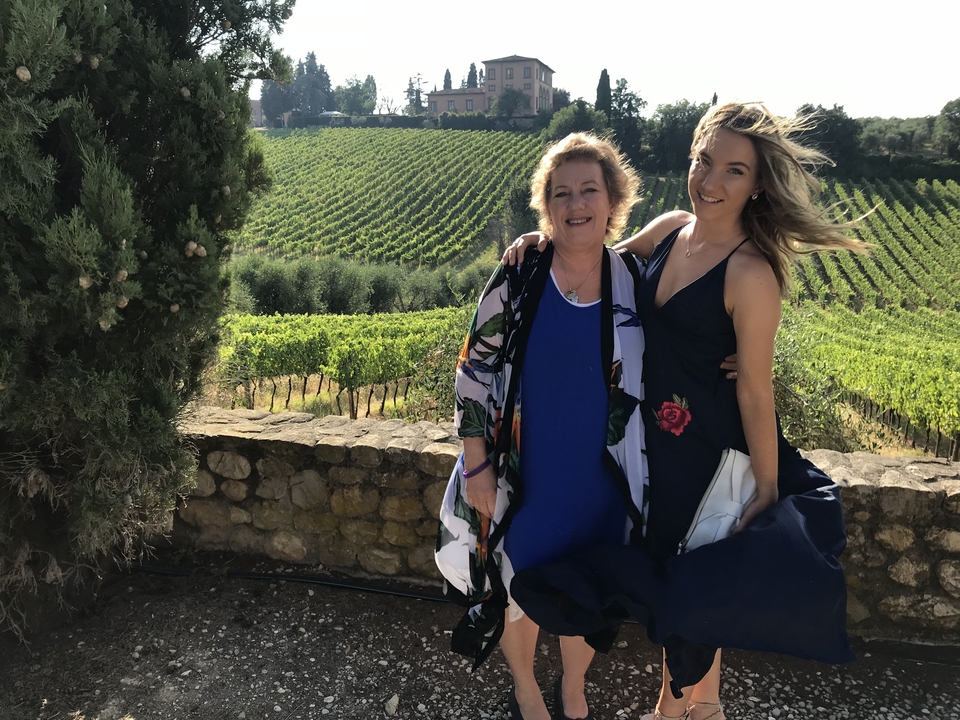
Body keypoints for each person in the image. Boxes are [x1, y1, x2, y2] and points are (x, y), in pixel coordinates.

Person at [503, 101, 859, 720]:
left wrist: (767, 487)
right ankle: (707, 705)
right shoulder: (670, 228)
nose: (711, 181)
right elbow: (603, 263)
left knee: (693, 591)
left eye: (734, 171)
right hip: (653, 445)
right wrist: (544, 238)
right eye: (703, 161)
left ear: (758, 184)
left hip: (709, 452)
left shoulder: (751, 273)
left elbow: (754, 390)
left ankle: (678, 712)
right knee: (683, 583)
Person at [434, 132, 651, 720]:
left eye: (589, 190)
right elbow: (474, 366)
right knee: (518, 594)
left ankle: (574, 688)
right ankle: (527, 689)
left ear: (613, 201)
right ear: (545, 205)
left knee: (583, 596)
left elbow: (686, 221)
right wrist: (476, 465)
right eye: (561, 193)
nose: (575, 203)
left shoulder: (634, 278)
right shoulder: (522, 273)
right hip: (525, 476)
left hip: (601, 481)